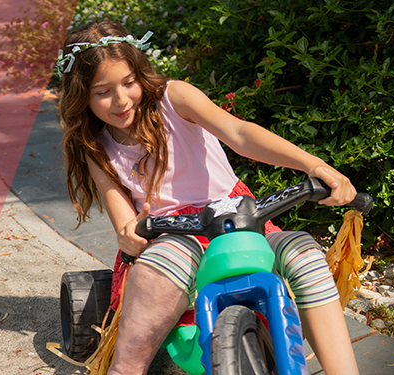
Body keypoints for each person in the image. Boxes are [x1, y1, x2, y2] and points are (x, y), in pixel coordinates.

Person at [54, 20, 362, 375]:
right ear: (82, 96)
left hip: (235, 218)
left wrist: (312, 165)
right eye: (102, 91)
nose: (121, 99)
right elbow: (122, 216)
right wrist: (129, 233)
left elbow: (239, 133)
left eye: (128, 82)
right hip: (171, 231)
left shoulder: (175, 98)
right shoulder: (98, 147)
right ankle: (125, 369)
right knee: (157, 272)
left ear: (141, 72)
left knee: (304, 253)